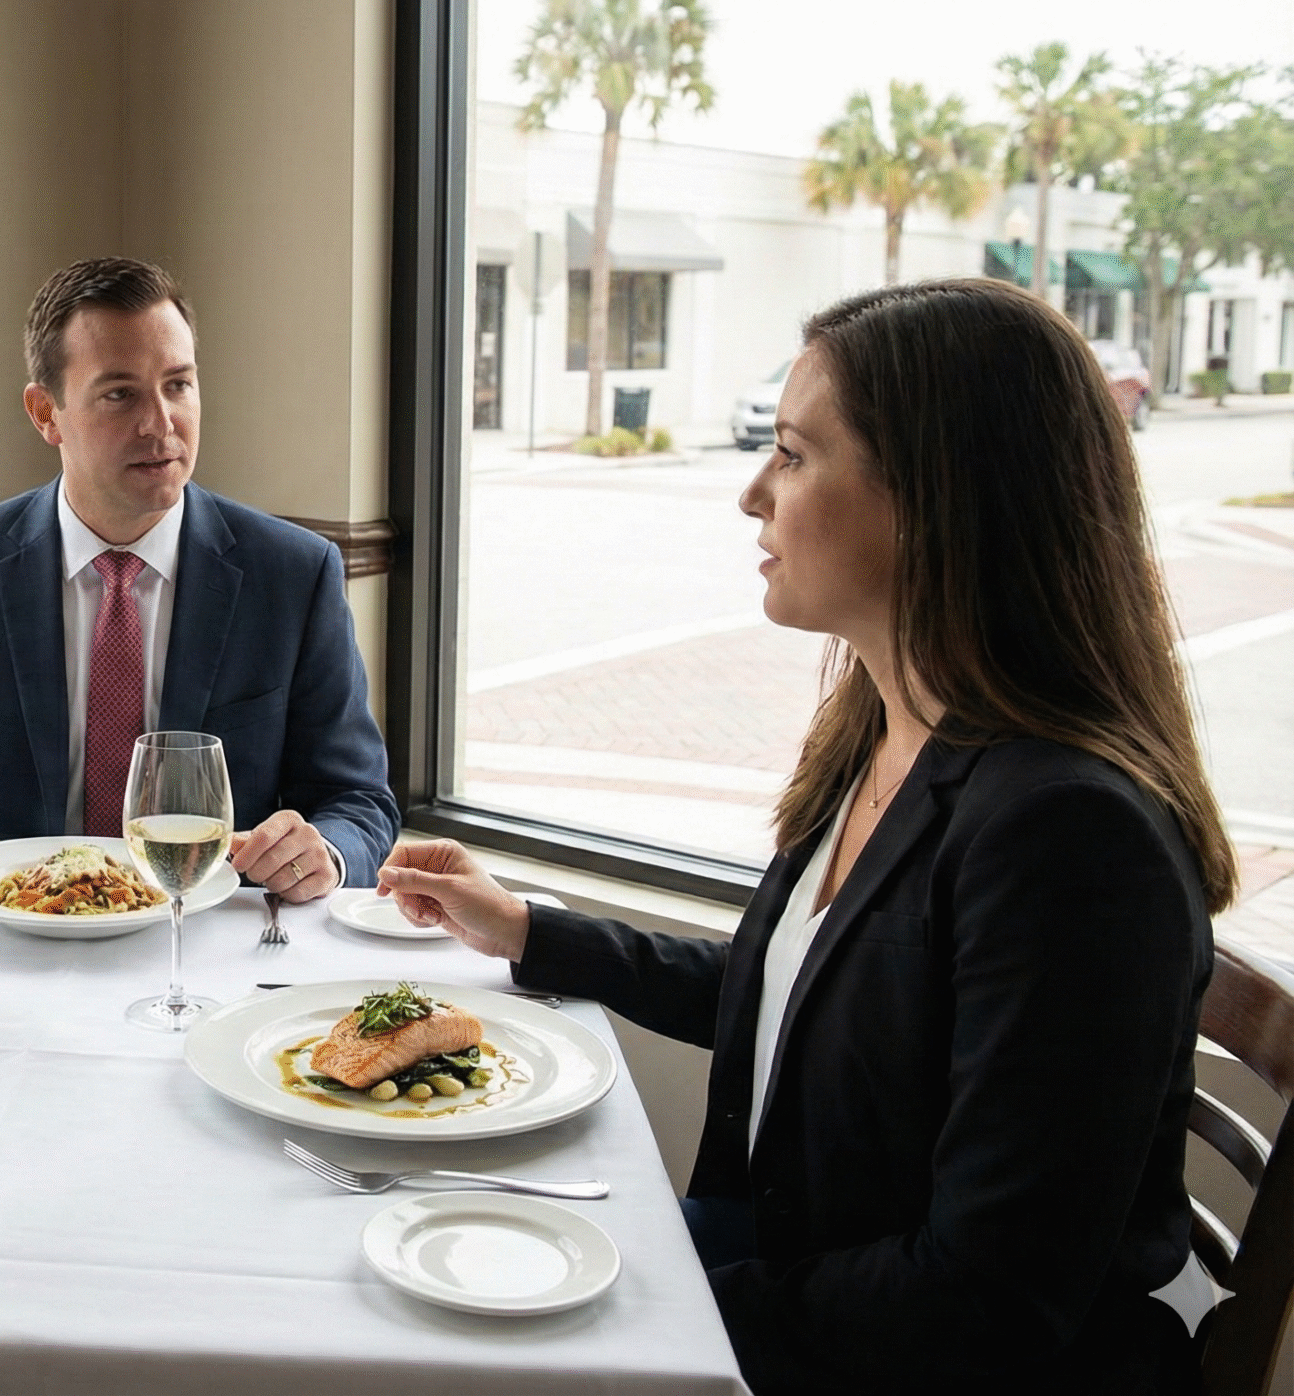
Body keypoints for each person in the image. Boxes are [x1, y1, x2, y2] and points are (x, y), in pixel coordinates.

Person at [380, 278, 1228, 1394]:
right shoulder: (886, 730)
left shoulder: (1072, 839)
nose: (750, 494)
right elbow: (799, 988)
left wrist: (643, 1311)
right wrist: (529, 930)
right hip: (793, 1272)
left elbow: (985, 1301)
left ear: (934, 498)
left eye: (791, 453)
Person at [0, 257, 398, 900]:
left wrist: (326, 852)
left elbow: (357, 800)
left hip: (206, 949)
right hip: (11, 945)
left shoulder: (294, 574)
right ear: (46, 413)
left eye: (178, 384)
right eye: (120, 393)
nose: (161, 423)